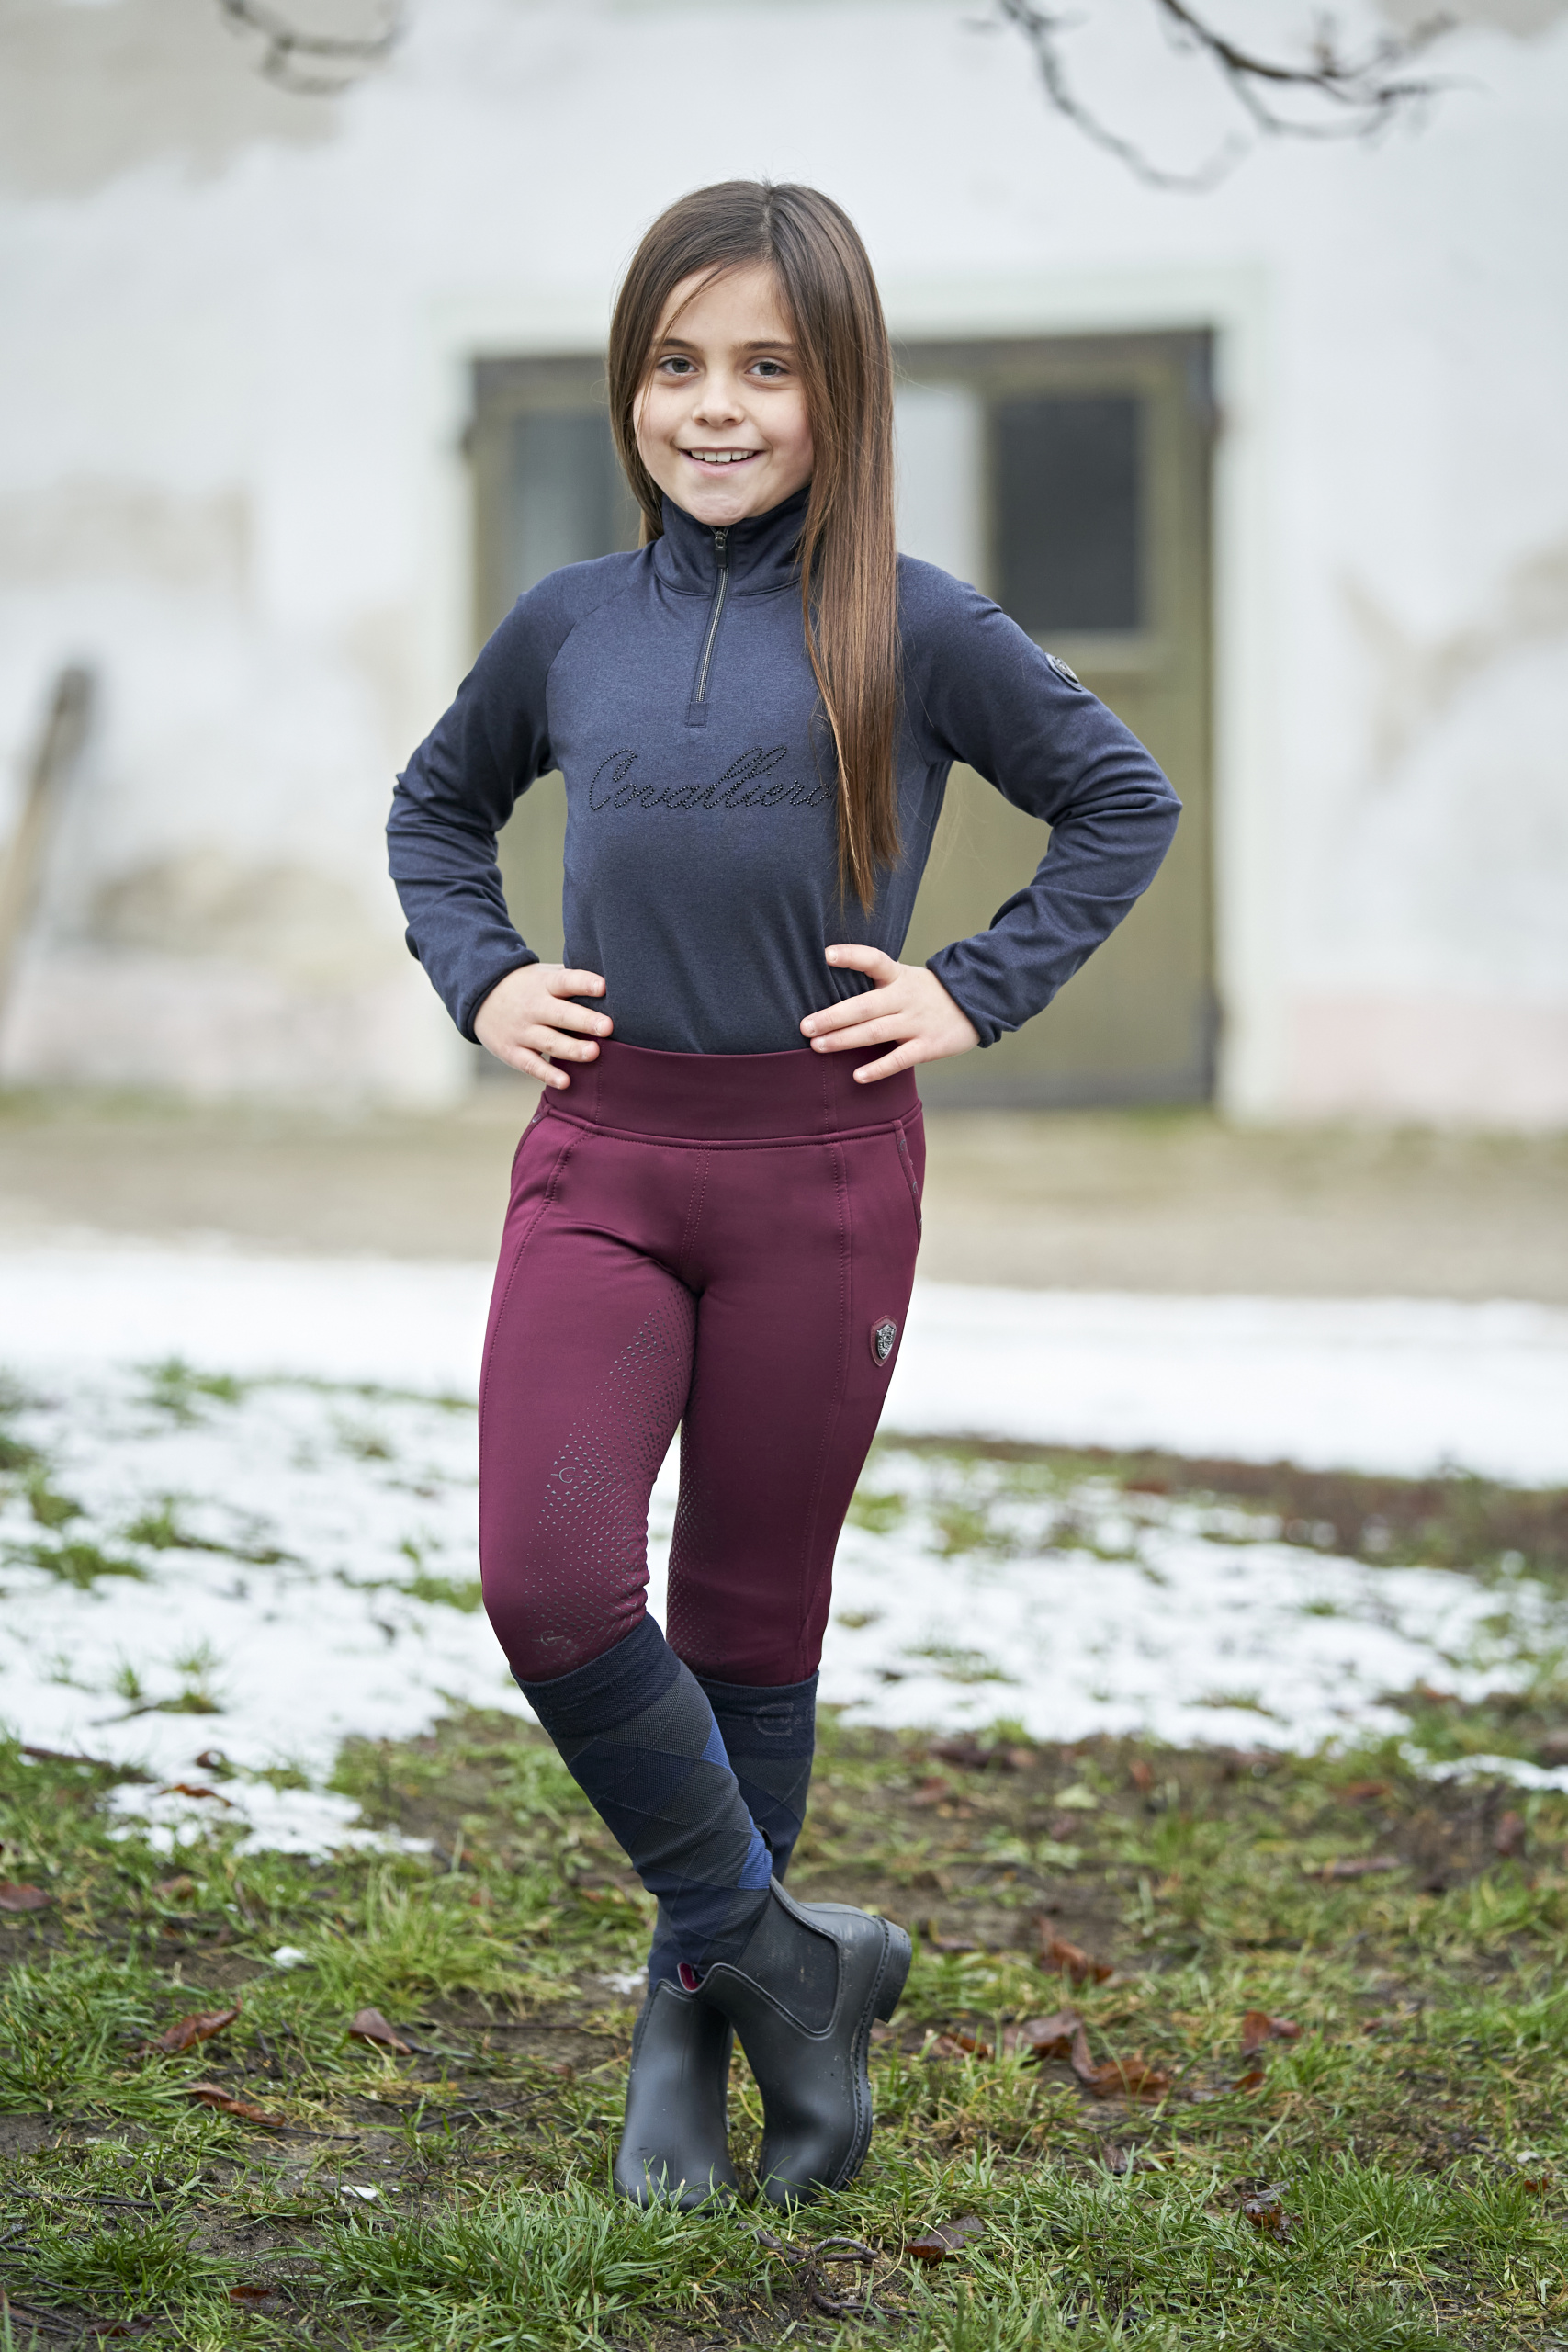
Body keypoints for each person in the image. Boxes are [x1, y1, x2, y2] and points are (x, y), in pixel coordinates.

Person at [388, 179, 1180, 2210]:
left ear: (840, 390)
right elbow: (436, 805)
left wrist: (972, 988)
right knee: (551, 1583)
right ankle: (783, 1962)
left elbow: (1119, 798)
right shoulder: (567, 622)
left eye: (765, 366)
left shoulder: (913, 621)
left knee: (749, 1613)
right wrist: (481, 972)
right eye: (676, 364)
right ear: (628, 383)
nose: (715, 406)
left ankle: (689, 2030)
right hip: (601, 1162)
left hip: (818, 1178)